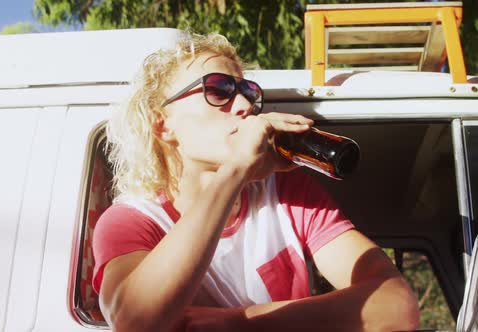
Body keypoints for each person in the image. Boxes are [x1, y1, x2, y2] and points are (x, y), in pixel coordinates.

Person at [92, 32, 420, 332]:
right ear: (163, 125)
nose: (246, 106)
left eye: (248, 92)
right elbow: (135, 321)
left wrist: (234, 322)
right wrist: (235, 170)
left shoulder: (288, 195)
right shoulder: (130, 222)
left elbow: (396, 306)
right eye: (219, 90)